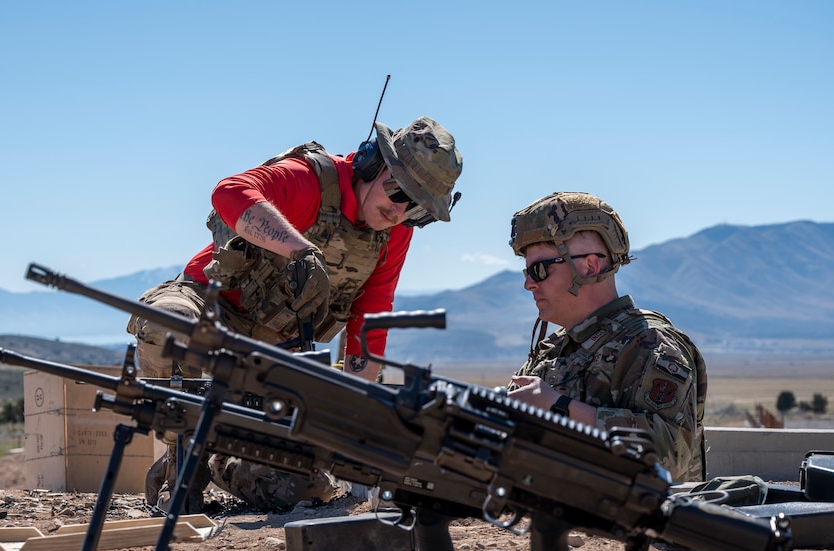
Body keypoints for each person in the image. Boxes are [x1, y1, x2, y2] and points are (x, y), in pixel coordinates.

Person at [128, 116, 463, 513]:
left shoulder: (394, 233)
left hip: (274, 352)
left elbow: (370, 317)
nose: (400, 210)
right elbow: (228, 192)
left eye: (417, 207)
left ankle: (217, 455)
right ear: (373, 163)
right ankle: (181, 462)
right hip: (209, 308)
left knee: (299, 490)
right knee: (167, 325)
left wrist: (355, 412)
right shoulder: (310, 180)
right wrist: (298, 249)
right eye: (397, 191)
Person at [506, 191, 706, 482]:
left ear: (589, 266)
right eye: (527, 271)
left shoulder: (649, 345)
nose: (528, 284)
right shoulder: (555, 350)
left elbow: (671, 456)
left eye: (539, 270)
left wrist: (559, 408)